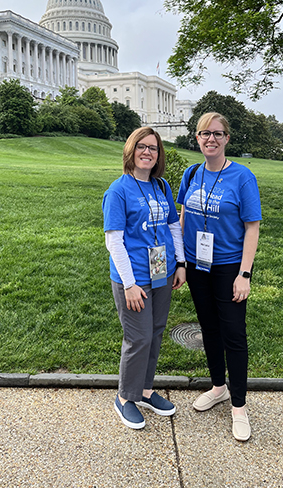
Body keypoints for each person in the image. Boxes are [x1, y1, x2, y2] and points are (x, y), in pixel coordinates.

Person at [176, 112, 261, 441]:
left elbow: (252, 228)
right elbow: (183, 216)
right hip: (197, 265)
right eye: (204, 134)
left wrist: (244, 274)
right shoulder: (192, 173)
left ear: (227, 138)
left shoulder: (242, 177)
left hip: (228, 267)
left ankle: (238, 406)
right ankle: (218, 387)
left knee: (234, 334)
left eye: (217, 134)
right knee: (209, 328)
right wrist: (181, 262)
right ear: (196, 138)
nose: (210, 139)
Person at [102, 127, 186, 430]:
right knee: (138, 337)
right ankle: (125, 397)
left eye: (153, 148)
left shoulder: (162, 187)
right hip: (134, 277)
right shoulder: (118, 190)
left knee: (156, 332)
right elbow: (114, 241)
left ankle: (145, 390)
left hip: (162, 271)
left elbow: (173, 227)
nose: (147, 152)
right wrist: (129, 283)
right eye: (142, 146)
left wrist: (181, 263)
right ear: (131, 151)